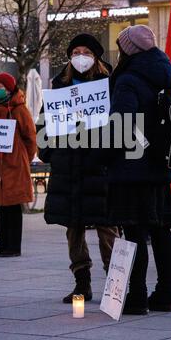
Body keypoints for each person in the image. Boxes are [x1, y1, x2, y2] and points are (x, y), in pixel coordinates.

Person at [38, 34, 119, 304]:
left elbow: (120, 122)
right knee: (73, 228)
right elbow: (43, 123)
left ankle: (115, 281)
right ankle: (81, 282)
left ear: (96, 57)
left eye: (85, 51)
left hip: (99, 167)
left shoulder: (109, 85)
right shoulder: (59, 85)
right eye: (75, 52)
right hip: (69, 168)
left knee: (108, 226)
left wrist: (107, 150)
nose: (80, 56)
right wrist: (50, 151)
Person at [107, 25, 171, 315]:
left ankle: (137, 296)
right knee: (161, 230)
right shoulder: (165, 73)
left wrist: (105, 154)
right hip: (160, 165)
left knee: (134, 231)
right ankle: (165, 294)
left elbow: (121, 126)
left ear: (128, 50)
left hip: (132, 168)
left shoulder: (128, 80)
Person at [0, 72, 37, 257]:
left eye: (0, 86)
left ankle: (13, 247)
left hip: (15, 163)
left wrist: (24, 158)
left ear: (9, 88)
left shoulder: (19, 109)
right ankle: (4, 244)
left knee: (13, 205)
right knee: (1, 205)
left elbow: (31, 137)